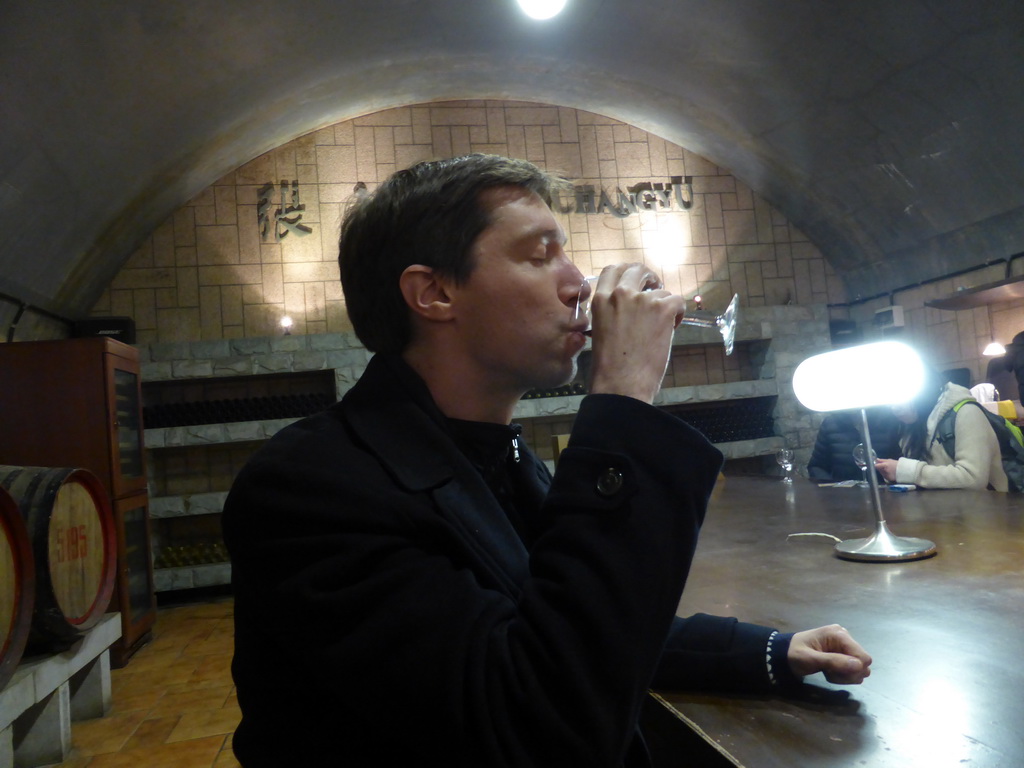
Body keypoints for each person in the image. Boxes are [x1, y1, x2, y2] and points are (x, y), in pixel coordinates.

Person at [222, 154, 872, 768]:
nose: (581, 284)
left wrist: (767, 651)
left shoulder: (495, 455)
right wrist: (622, 399)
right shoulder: (312, 487)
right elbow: (541, 728)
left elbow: (570, 620)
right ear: (434, 294)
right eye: (541, 255)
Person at [875, 371, 1008, 490]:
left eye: (902, 399)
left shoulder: (966, 412)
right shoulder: (911, 424)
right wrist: (893, 472)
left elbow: (973, 478)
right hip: (943, 512)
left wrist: (905, 471)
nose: (895, 409)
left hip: (987, 512)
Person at [806, 408, 901, 483]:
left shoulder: (888, 420)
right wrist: (832, 489)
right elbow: (816, 466)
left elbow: (902, 462)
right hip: (844, 498)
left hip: (886, 495)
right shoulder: (831, 423)